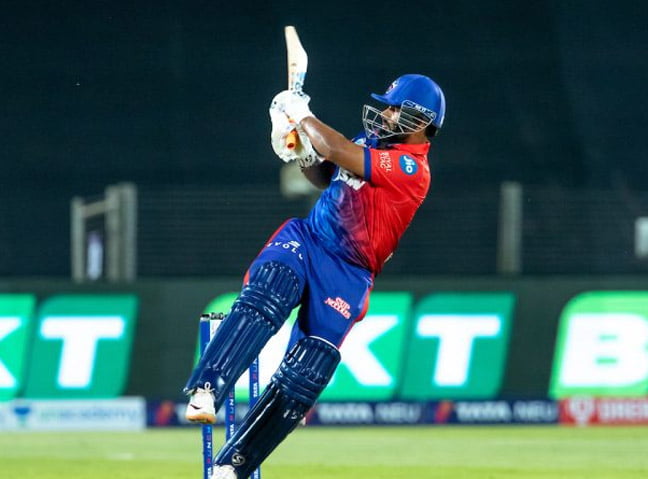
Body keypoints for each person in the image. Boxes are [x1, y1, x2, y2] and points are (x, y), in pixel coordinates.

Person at [183, 73, 446, 479]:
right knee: (267, 296)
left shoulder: (412, 167)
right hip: (309, 241)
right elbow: (327, 174)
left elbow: (336, 148)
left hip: (349, 272)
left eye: (396, 109)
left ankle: (232, 467)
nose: (386, 114)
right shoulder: (370, 142)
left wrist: (301, 113)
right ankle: (207, 389)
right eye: (388, 106)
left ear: (422, 121)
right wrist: (301, 154)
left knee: (307, 372)